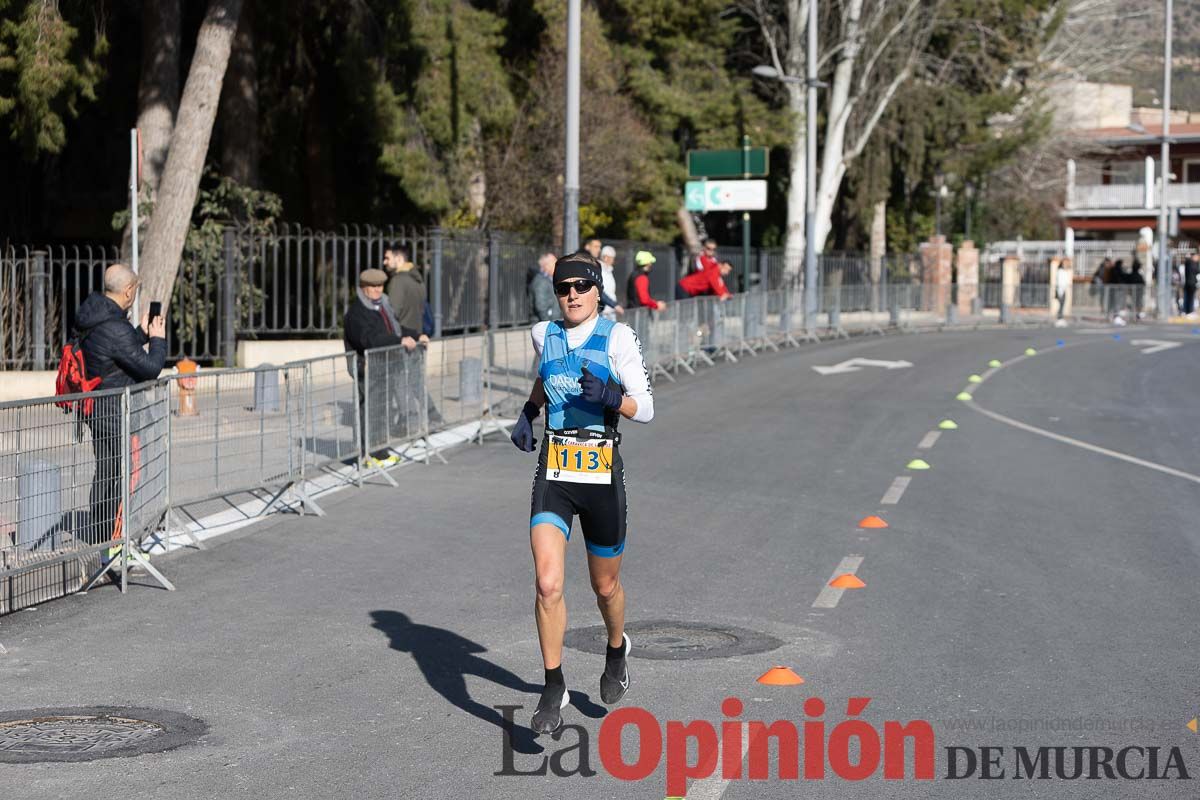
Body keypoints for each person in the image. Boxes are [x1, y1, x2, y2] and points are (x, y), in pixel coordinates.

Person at [509, 252, 654, 735]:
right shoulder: (542, 334)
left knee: (604, 586)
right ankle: (554, 684)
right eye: (562, 287)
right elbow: (545, 375)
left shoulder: (617, 336)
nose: (571, 294)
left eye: (580, 286)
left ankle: (617, 649)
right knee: (547, 583)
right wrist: (528, 413)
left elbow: (647, 407)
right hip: (555, 469)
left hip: (601, 471)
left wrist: (612, 397)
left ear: (596, 290)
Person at [73, 263, 167, 546]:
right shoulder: (115, 327)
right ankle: (118, 542)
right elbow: (150, 368)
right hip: (119, 412)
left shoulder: (94, 316)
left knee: (105, 472)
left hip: (97, 409)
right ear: (128, 291)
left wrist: (138, 332)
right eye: (135, 290)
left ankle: (101, 541)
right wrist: (158, 340)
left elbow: (113, 356)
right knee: (128, 475)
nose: (135, 295)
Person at [344, 268, 420, 467]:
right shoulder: (357, 312)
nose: (378, 290)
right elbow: (369, 339)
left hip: (385, 366)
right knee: (369, 410)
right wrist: (399, 340)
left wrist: (416, 335)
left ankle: (379, 451)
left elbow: (396, 328)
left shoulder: (382, 305)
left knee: (381, 409)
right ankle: (367, 454)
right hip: (367, 368)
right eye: (373, 286)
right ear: (363, 288)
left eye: (380, 286)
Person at [384, 243, 441, 426]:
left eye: (387, 258)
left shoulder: (398, 282)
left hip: (402, 339)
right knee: (416, 381)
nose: (384, 262)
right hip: (417, 336)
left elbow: (393, 313)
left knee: (398, 381)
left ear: (399, 258)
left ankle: (406, 421)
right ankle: (434, 416)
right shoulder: (418, 280)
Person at [528, 253, 560, 323]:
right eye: (555, 263)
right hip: (545, 325)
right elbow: (541, 306)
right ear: (546, 265)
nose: (557, 266)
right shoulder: (541, 281)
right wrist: (549, 324)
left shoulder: (548, 279)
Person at [598, 245, 624, 322]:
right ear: (605, 257)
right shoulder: (600, 271)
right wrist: (614, 305)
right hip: (604, 311)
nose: (613, 261)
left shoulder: (608, 271)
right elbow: (601, 291)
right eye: (612, 258)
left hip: (611, 310)